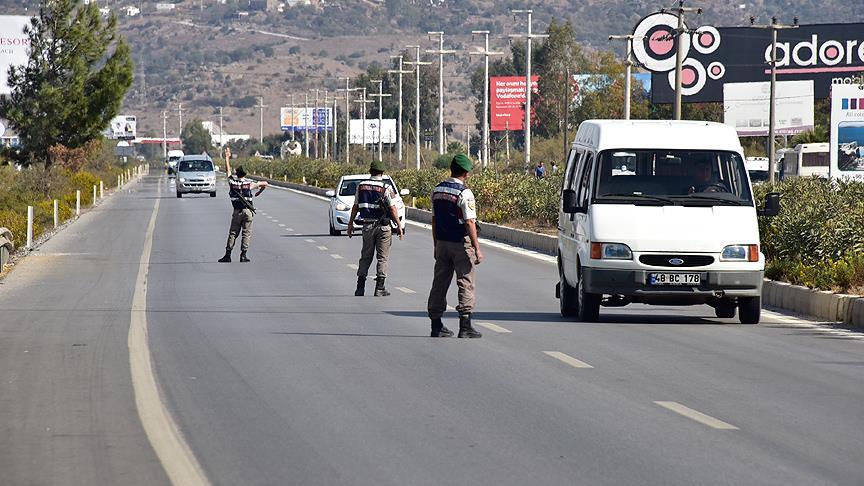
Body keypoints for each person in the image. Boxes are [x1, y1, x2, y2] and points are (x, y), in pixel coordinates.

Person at [427, 154, 484, 338]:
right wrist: (477, 249)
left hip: (442, 243)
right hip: (460, 243)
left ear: (451, 168)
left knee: (439, 283)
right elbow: (469, 223)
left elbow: (434, 221)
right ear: (466, 173)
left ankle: (436, 325)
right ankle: (465, 325)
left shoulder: (437, 190)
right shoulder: (464, 193)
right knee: (465, 282)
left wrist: (436, 245)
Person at [347, 160, 404, 297]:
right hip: (383, 227)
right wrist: (399, 225)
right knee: (382, 258)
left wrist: (350, 224)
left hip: (367, 225)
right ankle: (380, 288)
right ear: (382, 173)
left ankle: (360, 288)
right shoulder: (385, 187)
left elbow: (356, 206)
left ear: (370, 171)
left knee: (365, 257)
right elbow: (392, 208)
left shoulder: (361, 186)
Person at [218, 157, 267, 263]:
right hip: (248, 212)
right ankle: (243, 255)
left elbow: (227, 170)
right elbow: (265, 183)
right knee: (246, 233)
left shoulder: (232, 183)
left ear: (237, 173)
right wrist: (259, 192)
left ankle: (228, 255)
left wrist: (227, 157)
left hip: (237, 212)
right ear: (245, 174)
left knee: (233, 233)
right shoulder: (249, 184)